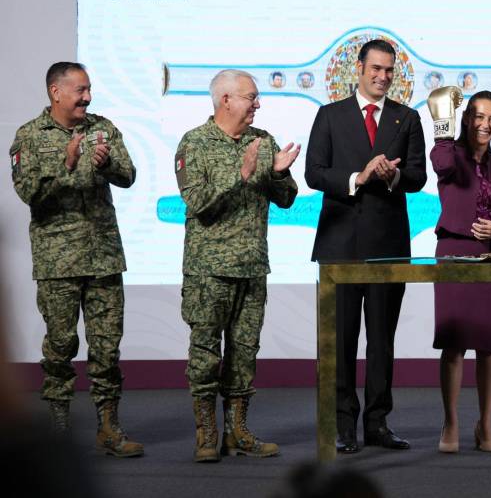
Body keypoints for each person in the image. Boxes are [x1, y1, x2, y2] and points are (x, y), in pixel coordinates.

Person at [9, 61, 143, 457]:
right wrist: (65, 164)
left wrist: (107, 163)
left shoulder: (103, 128)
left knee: (107, 350)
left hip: (104, 257)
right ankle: (59, 435)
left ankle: (109, 430)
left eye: (88, 90)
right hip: (58, 262)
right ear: (56, 92)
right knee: (60, 348)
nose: (88, 97)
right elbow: (28, 192)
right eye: (80, 90)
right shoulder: (30, 136)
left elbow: (128, 175)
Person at [305, 39, 427, 454]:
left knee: (381, 342)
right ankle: (343, 426)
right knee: (340, 343)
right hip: (339, 245)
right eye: (376, 68)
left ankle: (378, 423)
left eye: (389, 70)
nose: (383, 76)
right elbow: (314, 173)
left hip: (387, 246)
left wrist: (393, 176)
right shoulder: (330, 115)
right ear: (358, 68)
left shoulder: (407, 118)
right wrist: (358, 177)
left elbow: (417, 177)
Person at [175, 69, 300, 462]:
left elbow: (287, 198)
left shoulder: (263, 142)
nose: (257, 104)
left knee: (244, 354)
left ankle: (237, 432)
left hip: (252, 268)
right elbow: (197, 202)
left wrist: (278, 173)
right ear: (226, 99)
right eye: (251, 96)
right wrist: (239, 175)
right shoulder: (194, 142)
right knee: (205, 355)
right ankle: (206, 434)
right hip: (208, 271)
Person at [428, 87, 491, 453]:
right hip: (454, 252)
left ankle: (485, 423)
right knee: (453, 345)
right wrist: (443, 117)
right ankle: (450, 422)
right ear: (466, 118)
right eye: (479, 116)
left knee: (488, 345)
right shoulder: (450, 154)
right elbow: (440, 164)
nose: (486, 124)